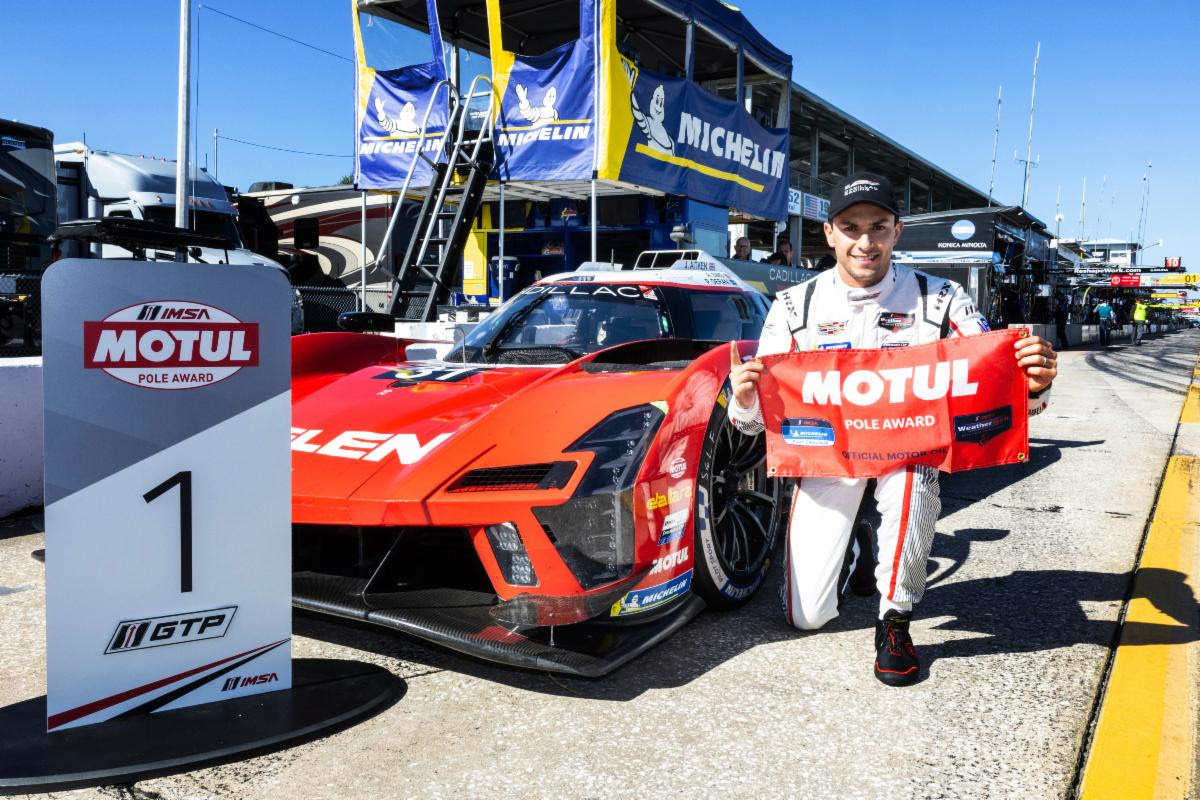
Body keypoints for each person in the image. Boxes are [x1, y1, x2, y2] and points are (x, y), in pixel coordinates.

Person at [727, 172, 1057, 687]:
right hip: (829, 457)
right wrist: (745, 400)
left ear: (897, 232)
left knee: (915, 482)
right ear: (830, 234)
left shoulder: (942, 297)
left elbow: (995, 377)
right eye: (851, 227)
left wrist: (1032, 385)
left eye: (878, 226)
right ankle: (860, 542)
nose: (865, 241)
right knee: (806, 616)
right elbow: (754, 426)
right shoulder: (793, 307)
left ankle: (896, 620)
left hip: (907, 450)